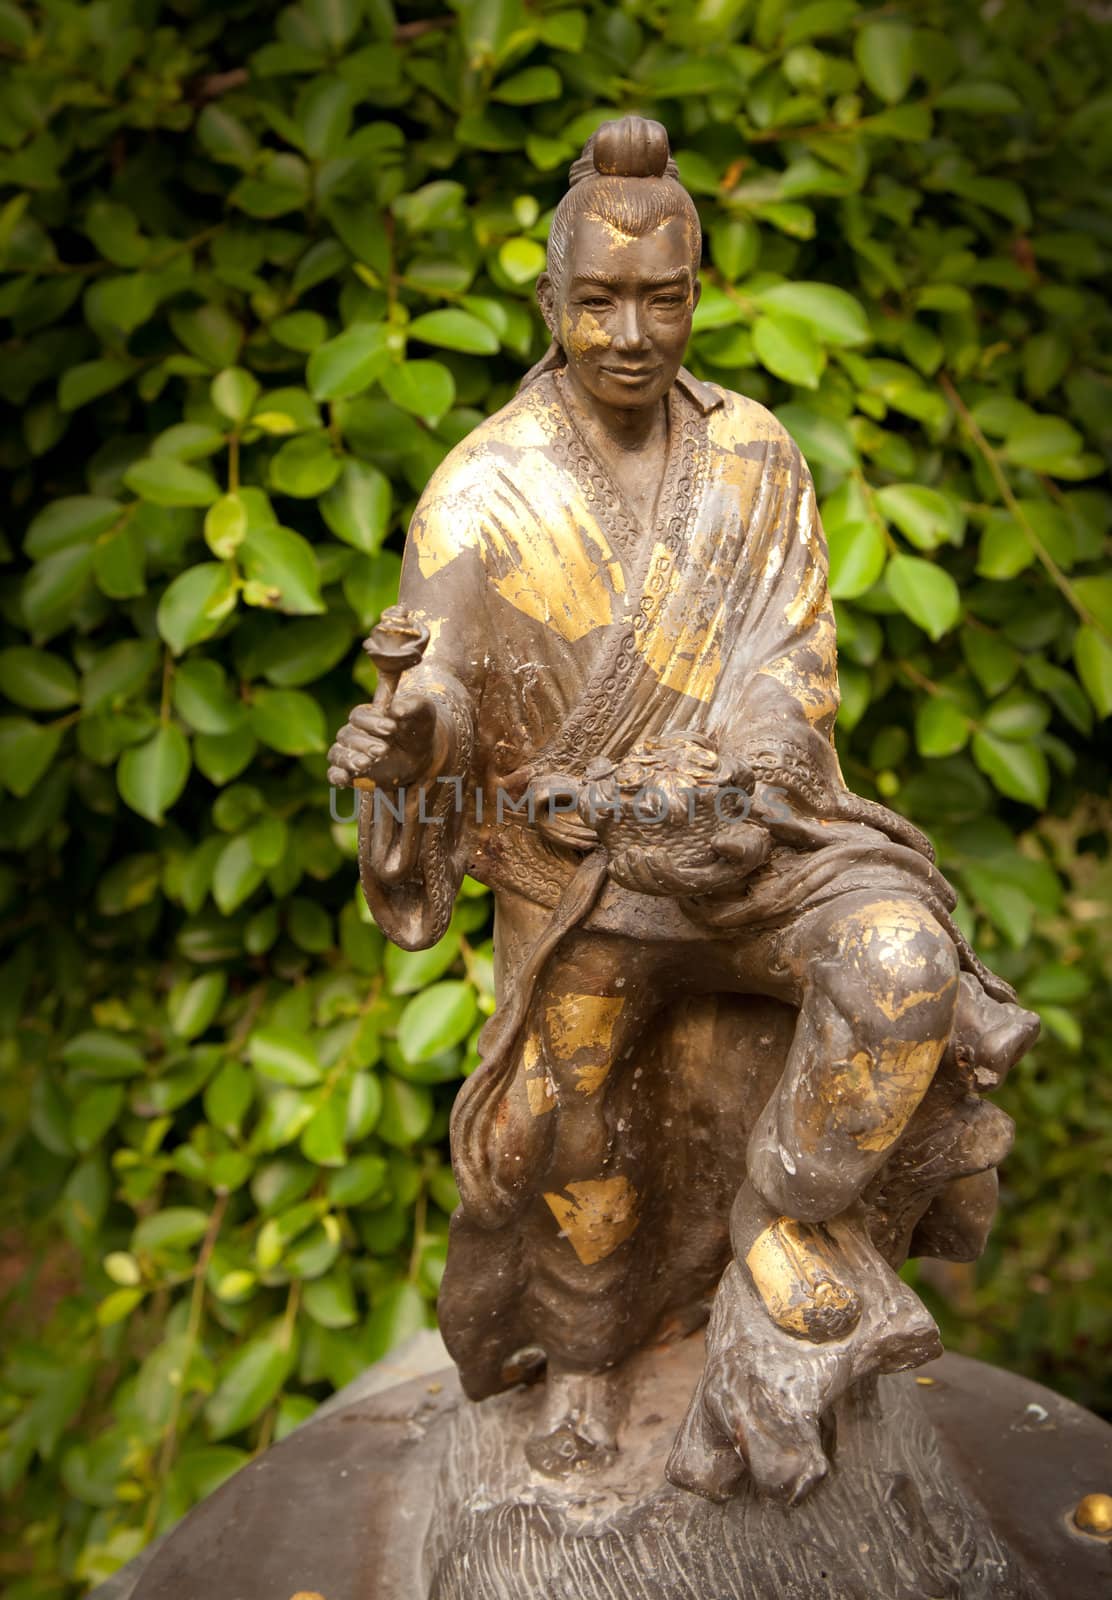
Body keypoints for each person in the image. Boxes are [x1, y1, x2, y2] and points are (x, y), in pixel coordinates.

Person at [327, 116, 1038, 1499]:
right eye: (599, 300)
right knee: (565, 1100)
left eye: (663, 298)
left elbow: (795, 664)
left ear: (698, 297)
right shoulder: (486, 489)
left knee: (904, 967)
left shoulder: (757, 458)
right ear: (550, 303)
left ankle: (792, 1218)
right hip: (587, 882)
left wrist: (732, 774)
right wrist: (410, 744)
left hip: (760, 842)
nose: (633, 332)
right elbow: (446, 699)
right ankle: (588, 1357)